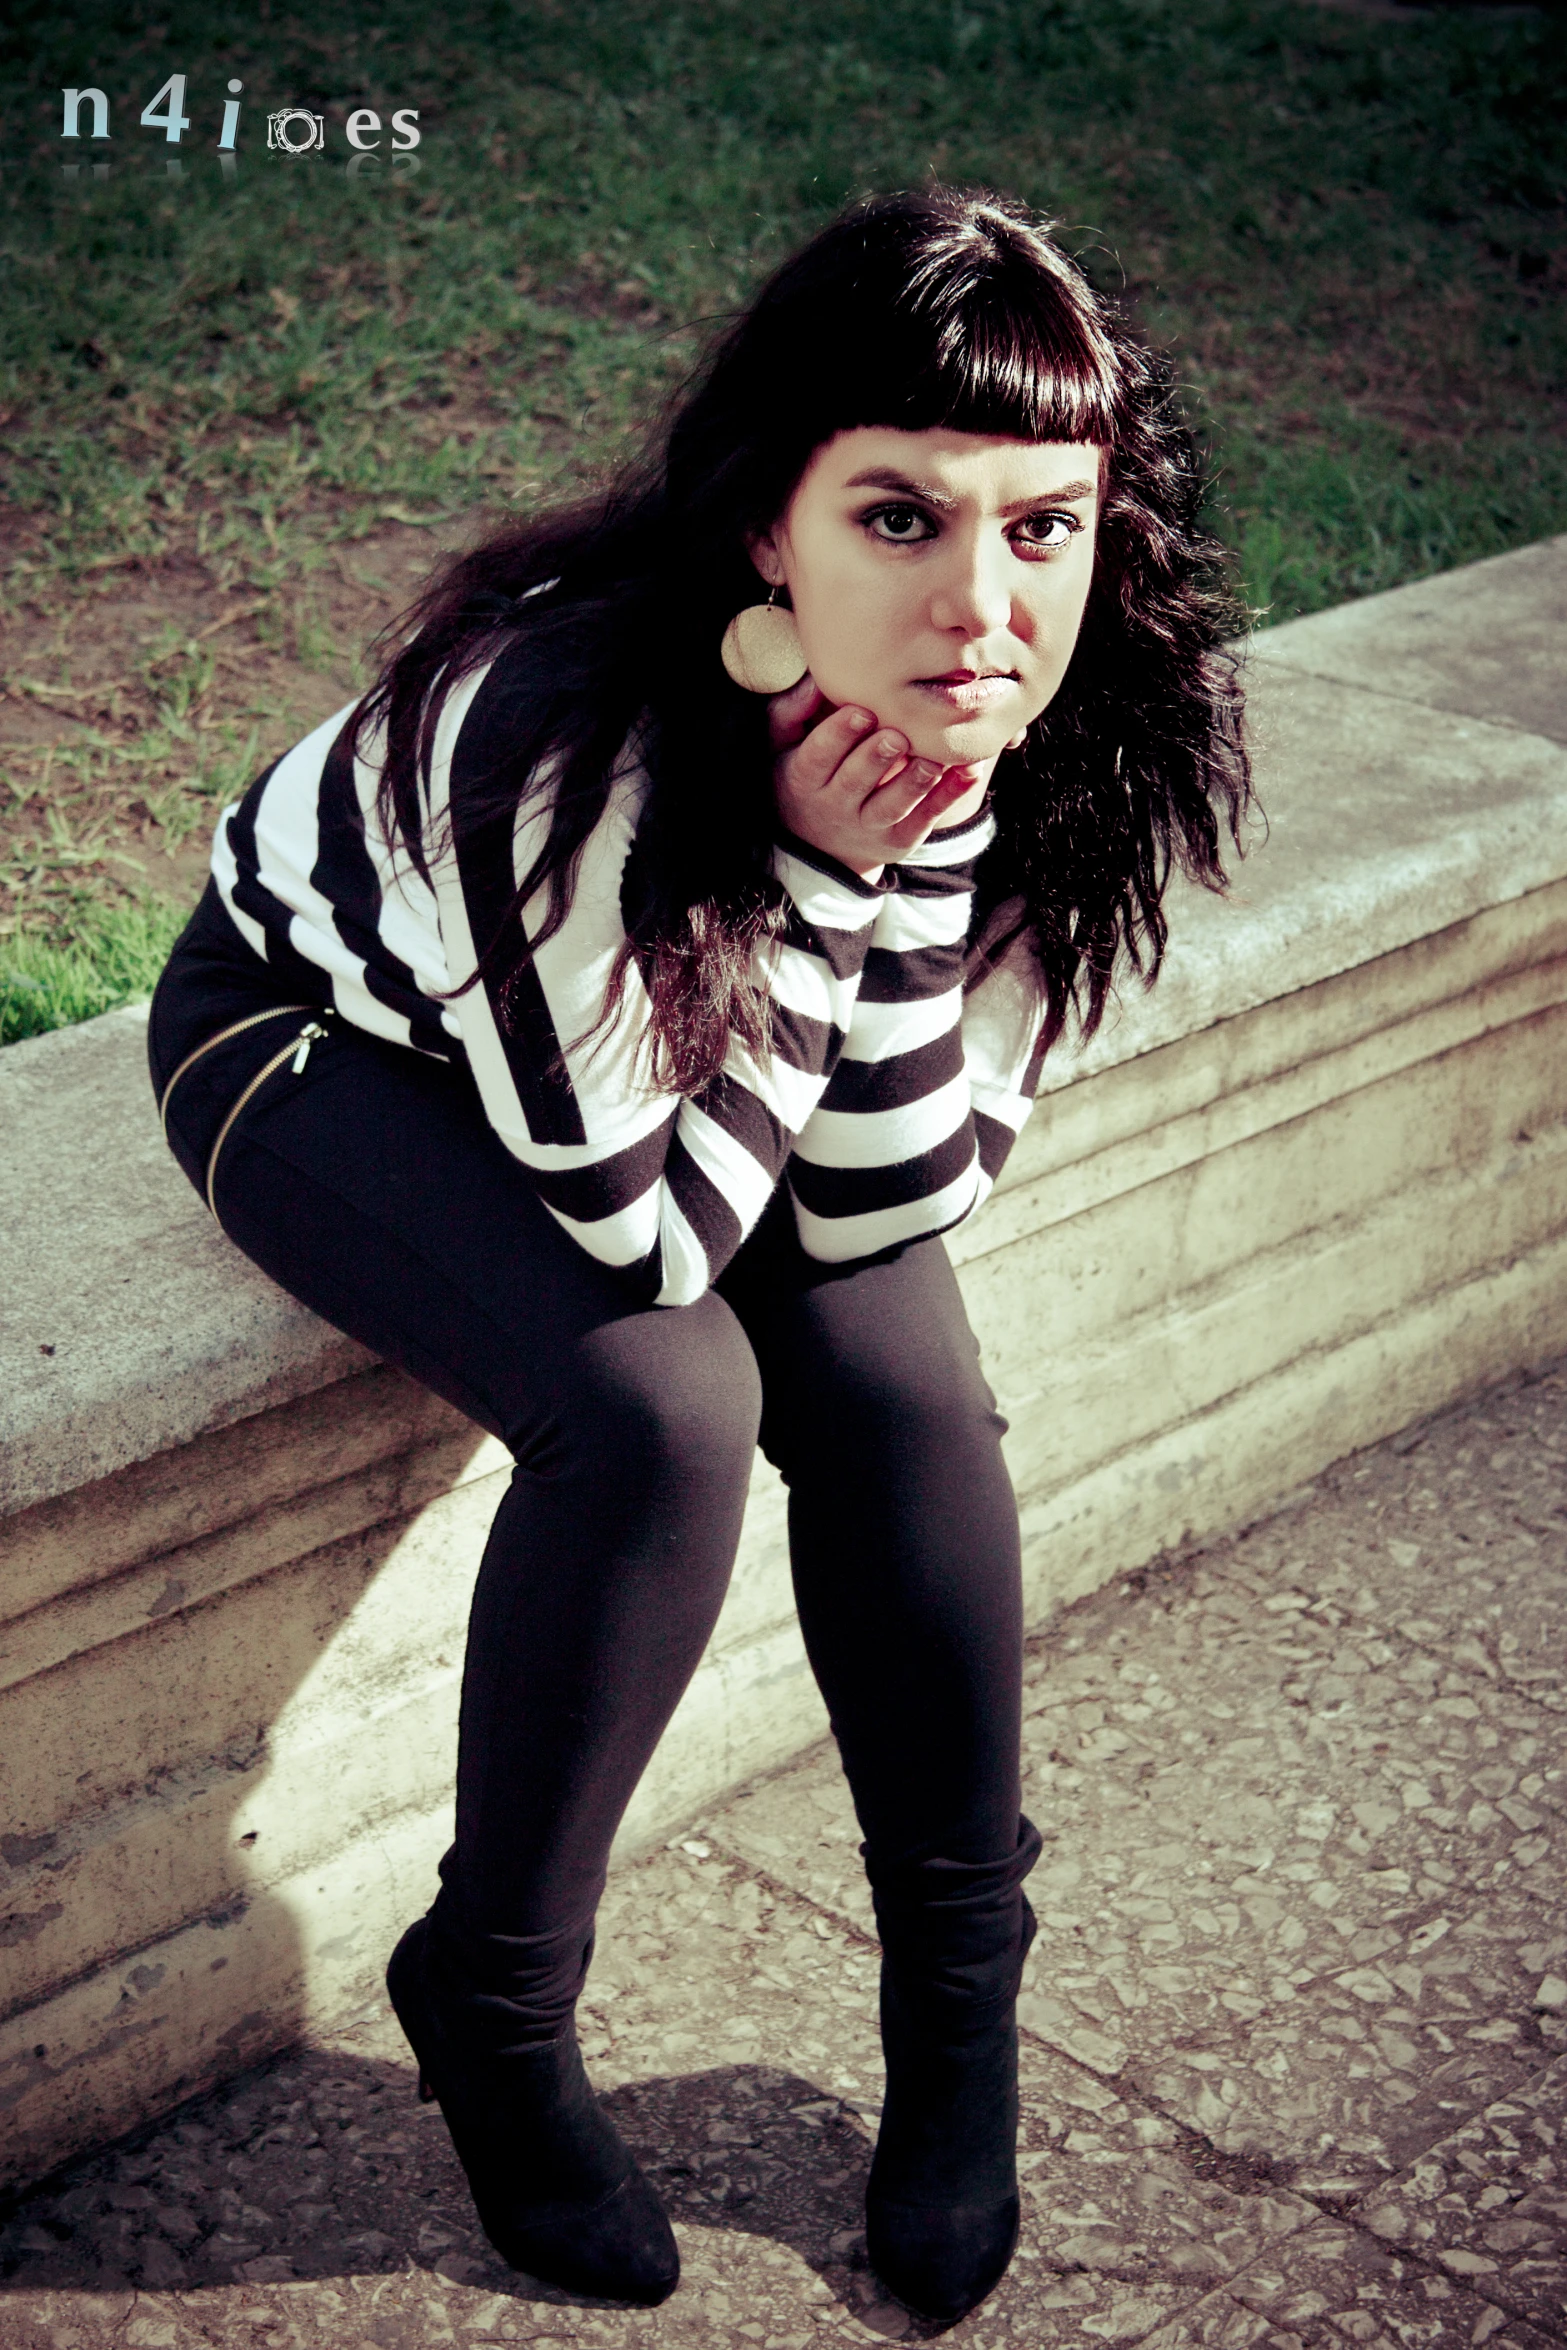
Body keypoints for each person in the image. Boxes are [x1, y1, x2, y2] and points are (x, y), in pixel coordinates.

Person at [148, 187, 1251, 2323]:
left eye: (1047, 525)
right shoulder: (546, 732)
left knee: (908, 1384)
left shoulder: (1085, 722)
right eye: (904, 519)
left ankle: (958, 2008)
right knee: (663, 1404)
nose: (987, 606)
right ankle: (493, 1988)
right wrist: (835, 879)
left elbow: (890, 1196)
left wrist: (895, 868)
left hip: (703, 1035)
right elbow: (649, 1226)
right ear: (772, 528)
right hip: (323, 1033)